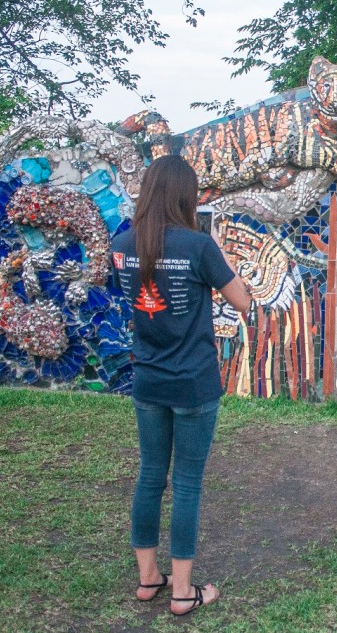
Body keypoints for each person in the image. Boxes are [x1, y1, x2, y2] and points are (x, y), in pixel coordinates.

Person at [111, 155, 251, 615]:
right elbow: (243, 301)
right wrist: (219, 253)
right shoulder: (198, 246)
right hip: (193, 382)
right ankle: (183, 592)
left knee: (150, 476)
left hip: (148, 380)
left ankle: (149, 579)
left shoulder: (124, 242)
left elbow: (128, 292)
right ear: (185, 196)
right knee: (187, 484)